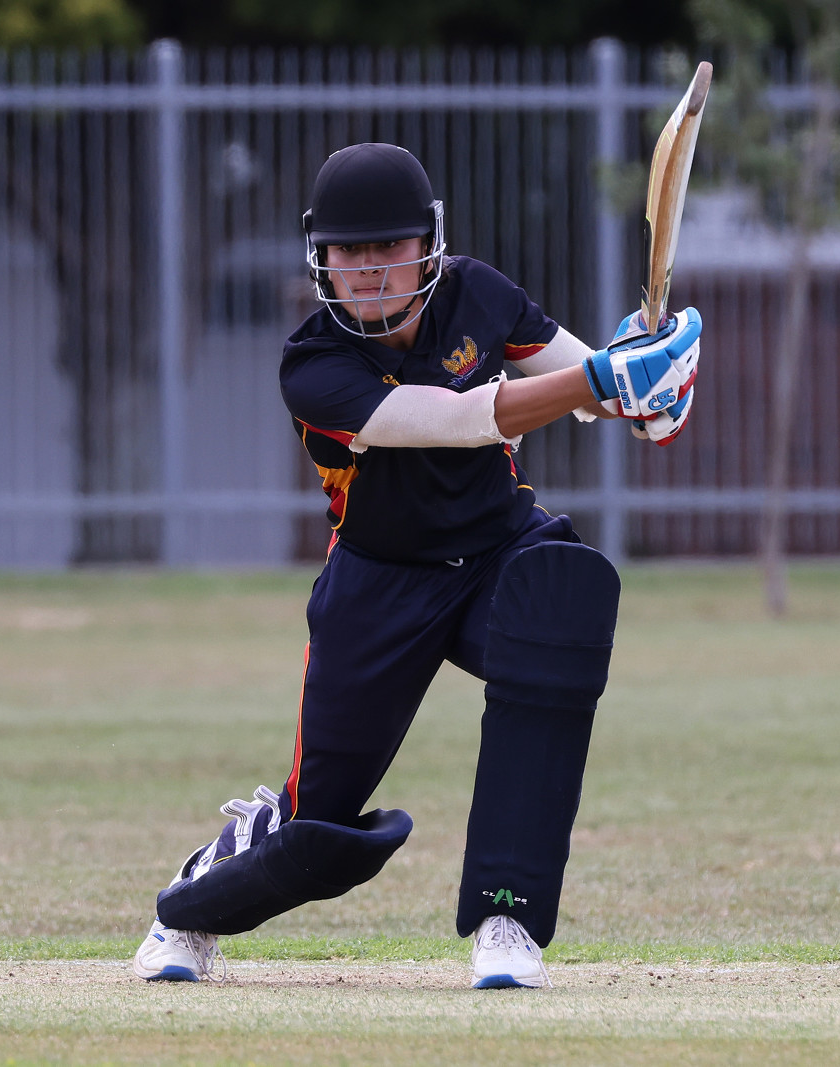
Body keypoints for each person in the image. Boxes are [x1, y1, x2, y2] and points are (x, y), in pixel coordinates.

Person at [131, 142, 700, 989]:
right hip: (379, 584)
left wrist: (650, 388)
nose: (369, 269)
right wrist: (602, 381)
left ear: (428, 244)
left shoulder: (480, 295)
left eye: (388, 246)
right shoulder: (312, 367)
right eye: (349, 251)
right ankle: (189, 907)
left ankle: (508, 918)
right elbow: (457, 418)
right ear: (320, 257)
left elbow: (590, 383)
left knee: (559, 610)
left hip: (499, 550)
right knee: (317, 826)